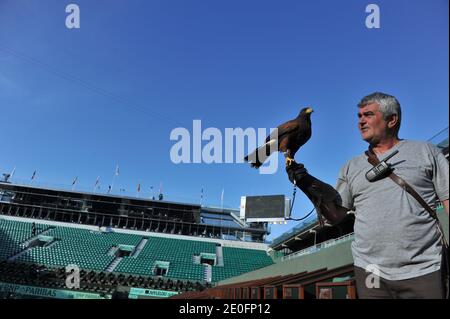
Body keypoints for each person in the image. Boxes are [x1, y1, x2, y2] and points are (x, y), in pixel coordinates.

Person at [286, 92, 449, 299]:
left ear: (392, 120)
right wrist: (306, 183)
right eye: (359, 116)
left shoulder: (426, 152)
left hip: (424, 268)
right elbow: (336, 216)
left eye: (368, 115)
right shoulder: (351, 167)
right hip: (370, 270)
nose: (361, 121)